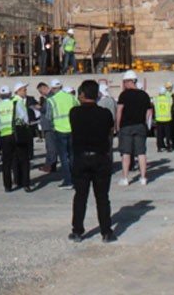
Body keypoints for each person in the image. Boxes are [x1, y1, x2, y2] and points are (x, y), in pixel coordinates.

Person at [69, 80, 117, 243]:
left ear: (82, 95)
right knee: (102, 197)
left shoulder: (74, 113)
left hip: (81, 158)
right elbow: (110, 132)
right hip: (101, 157)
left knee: (80, 196)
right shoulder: (105, 114)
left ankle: (77, 230)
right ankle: (106, 231)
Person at [116, 70, 152, 186]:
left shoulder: (124, 95)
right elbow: (148, 113)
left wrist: (118, 125)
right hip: (140, 125)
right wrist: (146, 124)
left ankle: (125, 178)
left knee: (126, 152)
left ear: (128, 81)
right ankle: (143, 178)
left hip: (126, 126)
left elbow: (119, 111)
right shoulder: (144, 95)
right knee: (141, 153)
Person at [0, 85, 31, 192]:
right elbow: (24, 117)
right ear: (10, 94)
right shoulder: (16, 103)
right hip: (17, 134)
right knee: (23, 159)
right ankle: (25, 183)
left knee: (7, 162)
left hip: (5, 136)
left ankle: (7, 186)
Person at [47, 79, 79, 189]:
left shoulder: (51, 100)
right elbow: (78, 110)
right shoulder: (72, 97)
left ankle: (68, 181)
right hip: (73, 129)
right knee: (73, 155)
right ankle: (75, 179)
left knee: (64, 157)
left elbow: (48, 116)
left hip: (60, 130)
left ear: (52, 89)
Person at [37, 81, 58, 173]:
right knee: (50, 146)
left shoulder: (50, 97)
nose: (41, 94)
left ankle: (50, 165)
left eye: (41, 92)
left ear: (44, 88)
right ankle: (50, 164)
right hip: (49, 126)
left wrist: (40, 108)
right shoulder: (50, 97)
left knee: (51, 147)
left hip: (50, 126)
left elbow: (48, 111)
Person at [153, 86, 173, 152]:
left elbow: (154, 103)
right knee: (168, 134)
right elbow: (170, 97)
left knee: (159, 134)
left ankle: (159, 147)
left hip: (159, 119)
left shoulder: (155, 99)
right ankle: (169, 147)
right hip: (167, 119)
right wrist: (168, 91)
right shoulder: (169, 99)